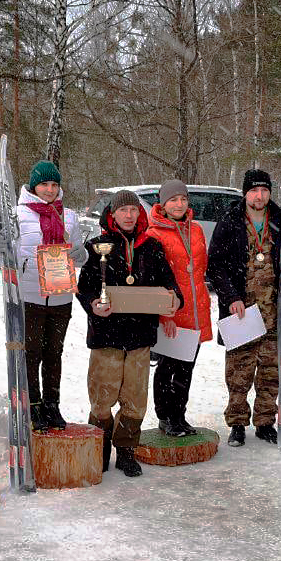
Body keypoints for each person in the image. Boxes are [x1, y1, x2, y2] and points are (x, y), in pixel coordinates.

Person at [77, 190, 182, 477]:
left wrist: (175, 301)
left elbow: (170, 285)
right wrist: (91, 304)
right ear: (112, 214)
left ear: (139, 213)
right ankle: (99, 451)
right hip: (106, 336)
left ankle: (125, 452)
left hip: (139, 337)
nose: (128, 215)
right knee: (102, 397)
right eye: (123, 210)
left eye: (133, 210)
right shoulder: (95, 246)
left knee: (134, 399)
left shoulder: (152, 246)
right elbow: (84, 287)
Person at [205, 169, 281, 447]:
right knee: (239, 373)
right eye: (254, 191)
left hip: (273, 311)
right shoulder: (230, 221)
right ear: (245, 193)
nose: (259, 196)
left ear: (270, 192)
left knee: (271, 373)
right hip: (241, 311)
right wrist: (231, 296)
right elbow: (216, 266)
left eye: (264, 190)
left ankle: (265, 422)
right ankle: (237, 424)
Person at [0, 160, 88, 431]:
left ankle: (52, 404)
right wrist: (0, 250)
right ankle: (33, 405)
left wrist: (81, 254)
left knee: (54, 353)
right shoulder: (17, 215)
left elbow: (79, 253)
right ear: (34, 186)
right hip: (30, 296)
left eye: (54, 184)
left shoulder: (68, 215)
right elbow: (0, 261)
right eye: (44, 184)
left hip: (61, 296)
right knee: (31, 354)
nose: (49, 189)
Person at [145, 179, 212, 437]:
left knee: (187, 369)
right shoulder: (154, 234)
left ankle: (180, 416)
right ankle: (165, 417)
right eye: (173, 200)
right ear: (163, 204)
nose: (179, 204)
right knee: (166, 370)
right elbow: (153, 279)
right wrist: (164, 314)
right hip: (171, 315)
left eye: (183, 199)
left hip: (195, 311)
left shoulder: (195, 230)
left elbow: (200, 271)